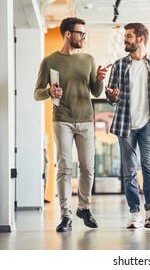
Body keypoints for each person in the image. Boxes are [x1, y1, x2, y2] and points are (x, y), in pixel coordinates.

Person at [34, 17, 111, 232]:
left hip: (86, 119)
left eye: (84, 34)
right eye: (80, 33)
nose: (83, 37)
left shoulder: (88, 59)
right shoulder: (49, 61)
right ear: (68, 34)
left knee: (88, 167)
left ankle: (84, 208)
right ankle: (65, 214)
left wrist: (100, 78)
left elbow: (95, 92)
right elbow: (37, 93)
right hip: (62, 120)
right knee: (65, 168)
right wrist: (49, 91)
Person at [105, 22, 150, 229]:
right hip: (125, 124)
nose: (125, 39)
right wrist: (111, 96)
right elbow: (112, 97)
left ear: (140, 39)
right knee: (129, 171)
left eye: (129, 36)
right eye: (125, 36)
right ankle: (135, 213)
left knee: (149, 168)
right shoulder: (120, 65)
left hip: (148, 124)